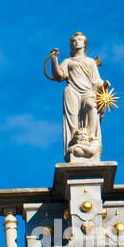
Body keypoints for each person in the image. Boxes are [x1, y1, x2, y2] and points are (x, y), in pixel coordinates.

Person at [49, 32, 108, 161]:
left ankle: (91, 140)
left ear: (84, 43)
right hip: (72, 91)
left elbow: (96, 81)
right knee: (73, 117)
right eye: (74, 41)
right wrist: (54, 59)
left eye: (80, 40)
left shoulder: (91, 61)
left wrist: (103, 85)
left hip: (88, 91)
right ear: (71, 45)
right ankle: (75, 141)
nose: (77, 42)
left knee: (92, 106)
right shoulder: (68, 61)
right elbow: (58, 75)